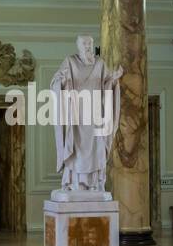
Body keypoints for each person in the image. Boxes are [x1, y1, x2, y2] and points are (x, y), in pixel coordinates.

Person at [50, 35, 122, 193]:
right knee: (76, 148)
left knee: (97, 147)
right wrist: (61, 82)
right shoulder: (70, 62)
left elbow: (107, 84)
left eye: (89, 43)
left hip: (95, 115)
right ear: (78, 45)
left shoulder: (100, 64)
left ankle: (94, 184)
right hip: (76, 114)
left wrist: (113, 80)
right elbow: (56, 82)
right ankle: (75, 183)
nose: (87, 46)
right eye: (84, 43)